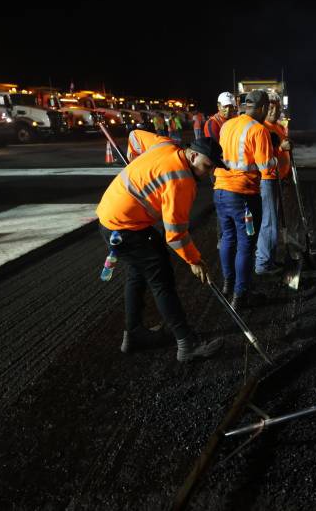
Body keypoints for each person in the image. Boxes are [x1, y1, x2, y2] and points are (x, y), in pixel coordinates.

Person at [96, 136, 225, 362]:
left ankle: (134, 334)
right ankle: (187, 344)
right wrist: (195, 261)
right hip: (125, 227)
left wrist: (137, 164)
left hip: (110, 218)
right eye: (207, 166)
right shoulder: (181, 180)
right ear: (193, 155)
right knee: (161, 277)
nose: (209, 172)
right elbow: (175, 235)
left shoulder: (166, 144)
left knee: (138, 272)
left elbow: (136, 136)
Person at [213, 90, 276, 310]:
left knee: (228, 238)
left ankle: (228, 284)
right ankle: (241, 295)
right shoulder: (258, 130)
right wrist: (276, 160)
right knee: (247, 245)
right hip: (244, 195)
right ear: (262, 108)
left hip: (220, 191)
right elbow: (266, 168)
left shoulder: (227, 125)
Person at [255, 92, 292, 275]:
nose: (274, 110)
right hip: (267, 179)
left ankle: (268, 259)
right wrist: (280, 148)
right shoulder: (262, 128)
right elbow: (263, 156)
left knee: (272, 221)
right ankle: (262, 264)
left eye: (277, 107)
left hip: (278, 178)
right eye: (270, 107)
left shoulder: (277, 127)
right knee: (269, 222)